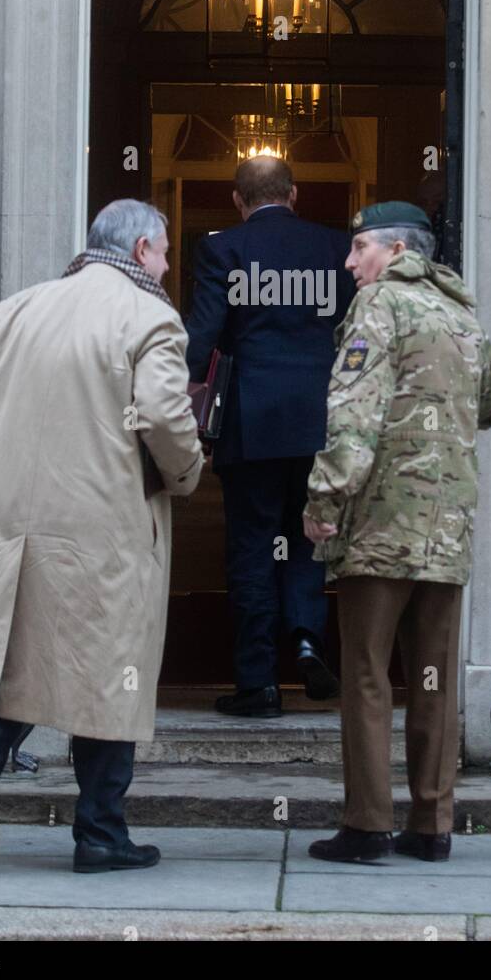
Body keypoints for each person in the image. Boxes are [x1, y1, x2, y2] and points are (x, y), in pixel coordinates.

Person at [0, 199, 203, 874]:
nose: (169, 265)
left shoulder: (23, 306)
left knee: (3, 670)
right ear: (142, 249)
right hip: (105, 528)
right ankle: (100, 835)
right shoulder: (151, 317)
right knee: (108, 677)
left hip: (16, 525)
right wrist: (187, 474)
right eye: (167, 252)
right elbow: (168, 416)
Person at [303, 202, 491, 864]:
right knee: (432, 678)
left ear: (395, 251)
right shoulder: (459, 312)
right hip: (446, 527)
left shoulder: (379, 307)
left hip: (381, 524)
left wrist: (323, 498)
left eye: (359, 246)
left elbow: (354, 414)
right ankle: (431, 824)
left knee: (366, 673)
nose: (349, 261)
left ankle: (366, 824)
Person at [186, 156, 355, 716]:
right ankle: (307, 638)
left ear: (239, 200)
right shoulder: (334, 250)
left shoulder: (223, 250)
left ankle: (257, 681)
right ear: (295, 193)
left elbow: (201, 340)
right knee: (310, 538)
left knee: (252, 549)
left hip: (251, 422)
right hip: (318, 421)